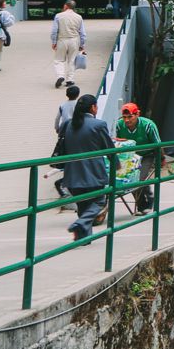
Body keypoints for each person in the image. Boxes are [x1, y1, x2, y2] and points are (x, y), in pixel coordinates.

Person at [56, 94, 112, 241]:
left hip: (72, 174)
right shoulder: (98, 125)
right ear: (93, 107)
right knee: (99, 200)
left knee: (82, 205)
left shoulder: (67, 124)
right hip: (93, 173)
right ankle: (80, 223)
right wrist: (116, 163)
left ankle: (84, 238)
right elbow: (109, 148)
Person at [116, 102, 162, 215]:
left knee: (139, 178)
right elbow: (118, 142)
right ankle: (142, 204)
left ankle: (148, 199)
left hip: (146, 155)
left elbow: (157, 144)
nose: (127, 120)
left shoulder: (148, 125)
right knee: (129, 180)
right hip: (129, 156)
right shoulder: (119, 124)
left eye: (130, 117)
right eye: (125, 117)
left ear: (137, 115)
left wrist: (161, 159)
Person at [50, 0, 86, 88]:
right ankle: (70, 80)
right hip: (74, 40)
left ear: (66, 6)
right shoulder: (79, 17)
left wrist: (54, 42)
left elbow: (54, 31)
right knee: (72, 60)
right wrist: (82, 44)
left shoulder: (58, 16)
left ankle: (60, 76)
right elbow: (83, 33)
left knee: (59, 60)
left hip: (62, 40)